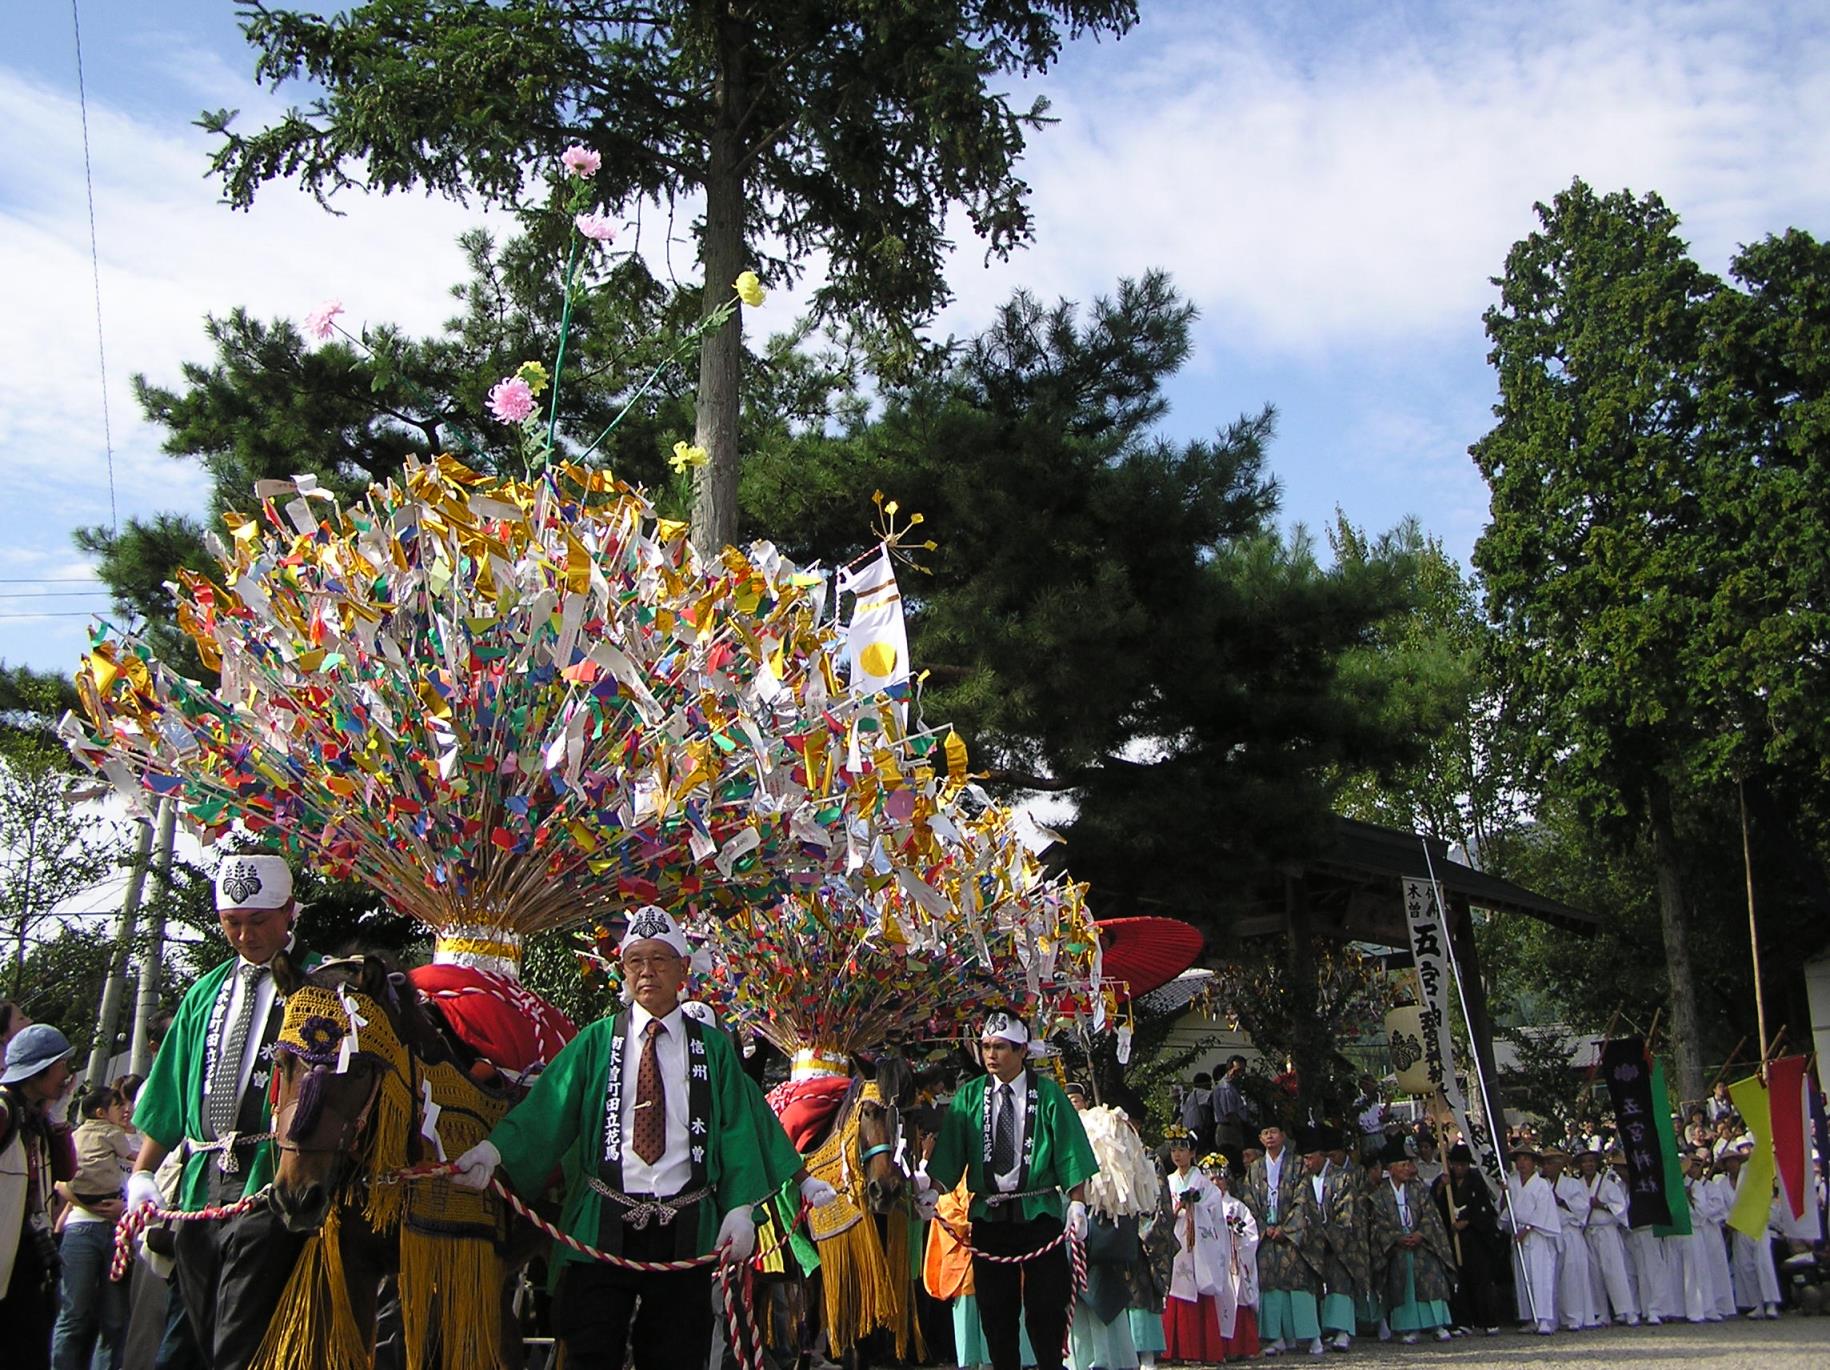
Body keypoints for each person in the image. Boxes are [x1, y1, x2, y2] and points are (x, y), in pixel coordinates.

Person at [452, 905, 809, 1369]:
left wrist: (740, 1209)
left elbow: (738, 1128)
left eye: (659, 960)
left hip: (687, 1226)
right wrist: (494, 1152)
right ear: (624, 971)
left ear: (682, 971)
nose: (647, 972)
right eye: (636, 961)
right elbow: (550, 1107)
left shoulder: (713, 1049)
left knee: (677, 1354)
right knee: (587, 1348)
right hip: (604, 1220)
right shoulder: (596, 1041)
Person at [127, 855, 317, 1370]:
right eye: (232, 923)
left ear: (289, 912)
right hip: (199, 1184)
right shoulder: (203, 994)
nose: (245, 935)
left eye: (258, 921)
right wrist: (143, 1173)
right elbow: (168, 1095)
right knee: (184, 1339)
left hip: (272, 1182)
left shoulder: (321, 986)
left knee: (237, 1339)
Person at [922, 1011, 1098, 1370]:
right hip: (989, 1215)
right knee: (996, 1311)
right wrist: (932, 1189)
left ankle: (1051, 1364)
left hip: (1040, 1214)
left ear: (1022, 1051)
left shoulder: (1049, 1095)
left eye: (1000, 1047)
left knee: (1047, 1305)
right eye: (986, 1046)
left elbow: (1069, 1151)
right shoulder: (968, 1097)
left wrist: (1077, 1203)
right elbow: (951, 1154)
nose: (991, 1054)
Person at [2, 1023, 77, 1370]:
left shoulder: (38, 1120)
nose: (67, 1075)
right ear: (37, 1070)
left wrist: (58, 1114)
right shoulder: (4, 1113)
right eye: (61, 1064)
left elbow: (65, 1171)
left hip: (31, 1258)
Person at [51, 1084, 135, 1370]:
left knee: (114, 1319)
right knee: (74, 1313)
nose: (125, 1110)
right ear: (103, 1112)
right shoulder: (109, 1136)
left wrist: (124, 1209)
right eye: (118, 1105)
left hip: (119, 1231)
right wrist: (88, 1204)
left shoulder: (128, 1140)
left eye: (127, 1104)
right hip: (83, 1228)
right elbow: (60, 1183)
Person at [1243, 1123, 1322, 1356]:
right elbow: (1248, 1199)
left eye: (1274, 1132)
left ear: (1283, 1135)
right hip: (1265, 1233)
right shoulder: (1255, 1168)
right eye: (1265, 1133)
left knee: (1298, 1283)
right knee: (1270, 1285)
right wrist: (1263, 1226)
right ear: (1260, 1138)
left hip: (1291, 1234)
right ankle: (1276, 1336)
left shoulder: (1298, 1164)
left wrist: (1286, 1228)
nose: (1270, 1137)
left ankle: (1312, 1336)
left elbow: (1303, 1199)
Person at [1366, 1139, 1455, 1344]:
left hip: (1421, 1243)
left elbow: (1430, 1214)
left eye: (1408, 1164)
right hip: (1398, 1246)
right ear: (1392, 1169)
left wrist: (1420, 1234)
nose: (1408, 1169)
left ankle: (1438, 1324)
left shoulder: (1419, 1188)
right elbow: (1379, 1223)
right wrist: (1397, 1237)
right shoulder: (1379, 1195)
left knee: (1430, 1278)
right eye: (1403, 1165)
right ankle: (1410, 1327)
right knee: (1403, 1284)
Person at [1160, 1133, 1229, 1364]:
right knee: (1173, 1289)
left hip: (1197, 1244)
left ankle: (1197, 1349)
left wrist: (1193, 1208)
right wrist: (1174, 1210)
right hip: (1175, 1239)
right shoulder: (1167, 1181)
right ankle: (1173, 1350)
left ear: (1192, 1153)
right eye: (1174, 1150)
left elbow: (1214, 1210)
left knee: (1196, 1288)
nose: (1178, 1154)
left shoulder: (1205, 1184)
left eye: (1183, 1149)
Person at [1297, 1125, 1363, 1352]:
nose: (1306, 1162)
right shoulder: (1303, 1180)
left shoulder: (1342, 1177)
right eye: (1304, 1158)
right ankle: (1321, 1329)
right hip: (1312, 1241)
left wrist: (1330, 1236)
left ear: (1321, 1156)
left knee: (1339, 1278)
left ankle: (1343, 1331)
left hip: (1339, 1243)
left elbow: (1348, 1213)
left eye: (1309, 1157)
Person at [1431, 1142, 1505, 1335]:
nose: (1459, 1169)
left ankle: (1488, 1320)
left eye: (1463, 1165)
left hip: (1475, 1238)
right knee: (1458, 1281)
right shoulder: (1445, 1181)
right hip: (1454, 1238)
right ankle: (1463, 1321)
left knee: (1481, 1281)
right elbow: (1435, 1206)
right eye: (1456, 1165)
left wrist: (1469, 1221)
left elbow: (1484, 1209)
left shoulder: (1476, 1181)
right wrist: (1440, 1188)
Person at [1574, 1147, 1638, 1326]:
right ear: (1580, 1165)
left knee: (1614, 1271)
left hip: (1606, 1231)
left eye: (1591, 1161)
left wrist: (1602, 1205)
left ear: (1596, 1164)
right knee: (1594, 1274)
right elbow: (1576, 1207)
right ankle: (1602, 1312)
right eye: (1585, 1162)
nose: (1588, 1165)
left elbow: (1621, 1207)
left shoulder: (1607, 1184)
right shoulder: (1577, 1185)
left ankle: (1627, 1311)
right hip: (1588, 1231)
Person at [1541, 1146, 1601, 1330]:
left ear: (1560, 1166)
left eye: (1552, 1163)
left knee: (1572, 1275)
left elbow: (1583, 1208)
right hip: (1551, 1233)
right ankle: (1553, 1317)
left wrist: (1563, 1202)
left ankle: (1575, 1317)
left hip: (1570, 1232)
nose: (1548, 1167)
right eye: (1546, 1163)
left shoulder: (1572, 1185)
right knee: (1552, 1276)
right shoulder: (1542, 1185)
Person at [1504, 1144, 1559, 1335]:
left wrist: (1527, 1228)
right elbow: (1505, 1209)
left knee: (1540, 1275)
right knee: (1522, 1277)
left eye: (1526, 1159)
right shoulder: (1510, 1182)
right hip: (1518, 1232)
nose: (1522, 1163)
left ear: (1534, 1163)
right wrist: (1504, 1194)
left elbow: (1544, 1211)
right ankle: (1529, 1316)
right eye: (1519, 1159)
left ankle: (1544, 1318)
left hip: (1537, 1235)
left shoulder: (1541, 1185)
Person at [1210, 1058, 1250, 1175]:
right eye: (1236, 1071)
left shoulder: (1234, 1087)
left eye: (1242, 1071)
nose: (1240, 1074)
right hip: (1229, 1130)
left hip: (1233, 1128)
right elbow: (1230, 1114)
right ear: (1229, 1070)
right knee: (1234, 1164)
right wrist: (1243, 1130)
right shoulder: (1225, 1088)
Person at [1180, 1074, 1215, 1153]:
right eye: (1209, 1083)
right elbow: (1205, 1108)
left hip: (1187, 1132)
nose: (1210, 1086)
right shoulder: (1202, 1093)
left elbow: (1181, 1116)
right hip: (1199, 1131)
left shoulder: (1187, 1097)